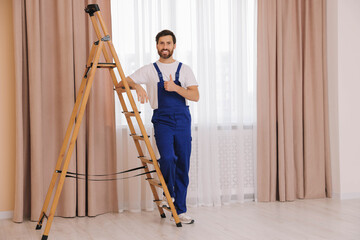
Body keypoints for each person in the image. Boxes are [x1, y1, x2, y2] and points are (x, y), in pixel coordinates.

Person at [122, 30, 199, 224]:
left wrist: (175, 88)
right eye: (162, 43)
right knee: (167, 158)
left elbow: (195, 96)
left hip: (182, 120)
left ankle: (180, 210)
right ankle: (168, 194)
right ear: (157, 46)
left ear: (174, 46)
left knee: (183, 164)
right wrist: (137, 86)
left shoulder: (185, 69)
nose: (165, 47)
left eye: (168, 43)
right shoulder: (149, 70)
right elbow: (120, 83)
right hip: (162, 120)